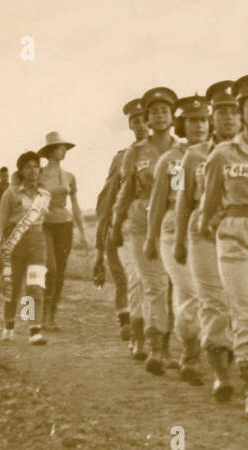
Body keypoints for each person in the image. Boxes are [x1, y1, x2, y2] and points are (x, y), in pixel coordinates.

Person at [200, 73, 248, 420]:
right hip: (235, 233)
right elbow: (210, 201)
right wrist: (208, 229)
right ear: (241, 111)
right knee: (245, 312)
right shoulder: (222, 153)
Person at [179, 80, 241, 403]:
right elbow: (183, 203)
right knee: (213, 300)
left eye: (234, 111)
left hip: (244, 229)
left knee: (244, 302)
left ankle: (241, 359)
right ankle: (221, 373)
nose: (229, 118)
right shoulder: (193, 156)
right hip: (204, 232)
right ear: (211, 116)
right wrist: (178, 240)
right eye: (222, 112)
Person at [146, 95, 210, 384]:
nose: (200, 126)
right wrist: (151, 237)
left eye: (204, 120)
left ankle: (210, 351)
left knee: (204, 294)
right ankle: (191, 355)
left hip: (211, 229)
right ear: (182, 124)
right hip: (174, 230)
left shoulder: (217, 153)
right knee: (189, 291)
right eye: (193, 121)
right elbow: (159, 202)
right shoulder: (171, 160)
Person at [113, 87, 179, 363]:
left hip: (172, 218)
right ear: (147, 119)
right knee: (152, 283)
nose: (160, 117)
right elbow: (125, 190)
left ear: (172, 117)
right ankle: (152, 345)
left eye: (165, 111)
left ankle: (164, 342)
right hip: (140, 219)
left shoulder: (182, 150)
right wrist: (116, 224)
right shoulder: (135, 152)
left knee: (174, 285)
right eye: (154, 113)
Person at [95, 100, 148, 342]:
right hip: (129, 224)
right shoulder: (123, 157)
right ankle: (130, 324)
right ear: (130, 126)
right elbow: (108, 196)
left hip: (160, 225)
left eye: (144, 119)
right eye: (135, 121)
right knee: (129, 278)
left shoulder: (170, 152)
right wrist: (104, 231)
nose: (141, 125)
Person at [0, 151, 52, 345]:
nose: (33, 171)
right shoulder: (11, 194)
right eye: (28, 167)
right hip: (14, 244)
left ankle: (33, 329)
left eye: (36, 167)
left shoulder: (45, 195)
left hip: (37, 242)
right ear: (21, 171)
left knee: (35, 285)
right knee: (13, 287)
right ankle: (9, 324)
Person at [37, 131, 86, 330]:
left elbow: (75, 205)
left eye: (65, 147)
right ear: (50, 151)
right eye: (60, 147)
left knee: (60, 272)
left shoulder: (69, 176)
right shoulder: (38, 174)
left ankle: (50, 317)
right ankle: (33, 313)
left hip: (64, 225)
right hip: (43, 225)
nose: (64, 150)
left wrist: (83, 232)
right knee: (50, 268)